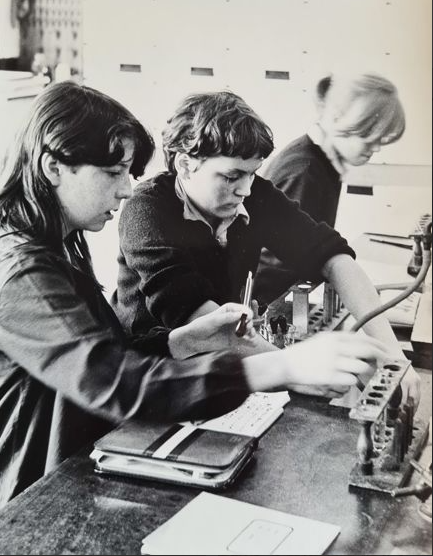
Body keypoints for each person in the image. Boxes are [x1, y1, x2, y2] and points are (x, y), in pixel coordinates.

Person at [0, 81, 382, 507]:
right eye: (113, 173)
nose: (126, 189)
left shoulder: (51, 249)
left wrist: (184, 341)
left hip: (80, 462)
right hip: (35, 497)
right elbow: (111, 381)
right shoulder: (21, 272)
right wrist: (284, 365)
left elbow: (107, 357)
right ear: (54, 167)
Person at [113, 90, 420, 402]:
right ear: (185, 164)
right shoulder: (146, 211)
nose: (245, 190)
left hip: (225, 360)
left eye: (252, 174)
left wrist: (393, 357)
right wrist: (293, 370)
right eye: (231, 176)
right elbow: (204, 320)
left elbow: (333, 257)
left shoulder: (254, 194)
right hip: (147, 378)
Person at [255, 72, 405, 302]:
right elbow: (278, 267)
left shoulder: (320, 163)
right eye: (369, 137)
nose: (376, 148)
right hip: (270, 306)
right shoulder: (305, 171)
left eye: (381, 139)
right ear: (337, 119)